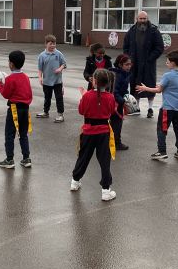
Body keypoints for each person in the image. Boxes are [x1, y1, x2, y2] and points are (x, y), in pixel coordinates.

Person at [70, 69, 117, 201]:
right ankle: (106, 190)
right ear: (107, 83)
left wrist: (83, 96)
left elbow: (81, 111)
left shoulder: (87, 96)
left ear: (94, 81)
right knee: (104, 161)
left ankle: (75, 181)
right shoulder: (110, 97)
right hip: (103, 132)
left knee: (83, 157)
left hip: (88, 131)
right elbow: (111, 111)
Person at [136, 49, 178, 161]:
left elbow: (159, 90)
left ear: (173, 63)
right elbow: (173, 87)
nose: (166, 63)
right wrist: (161, 86)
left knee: (161, 129)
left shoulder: (168, 75)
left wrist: (145, 88)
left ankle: (162, 151)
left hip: (167, 108)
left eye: (168, 61)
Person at [0, 50, 33, 169]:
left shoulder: (10, 79)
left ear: (11, 64)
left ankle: (9, 159)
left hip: (14, 109)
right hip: (25, 109)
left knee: (9, 134)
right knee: (23, 134)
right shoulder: (26, 77)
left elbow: (6, 94)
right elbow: (29, 94)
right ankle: (26, 158)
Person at [124, 11, 164, 118]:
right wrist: (129, 59)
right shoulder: (131, 31)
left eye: (144, 19)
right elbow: (125, 47)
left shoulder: (154, 31)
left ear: (147, 19)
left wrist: (150, 58)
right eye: (140, 18)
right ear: (136, 19)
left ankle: (150, 108)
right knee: (135, 86)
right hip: (134, 64)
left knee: (150, 86)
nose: (142, 21)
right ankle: (136, 107)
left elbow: (160, 47)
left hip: (148, 65)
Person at [36, 34, 66, 123]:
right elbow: (40, 69)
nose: (53, 45)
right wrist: (40, 78)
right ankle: (46, 112)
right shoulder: (42, 56)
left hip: (57, 81)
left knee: (59, 98)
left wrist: (60, 69)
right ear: (46, 44)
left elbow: (64, 64)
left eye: (54, 43)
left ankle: (60, 114)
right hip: (47, 81)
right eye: (51, 44)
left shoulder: (58, 54)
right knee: (47, 97)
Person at [110, 54, 132, 151]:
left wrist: (128, 96)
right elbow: (115, 92)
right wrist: (123, 100)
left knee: (116, 123)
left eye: (130, 64)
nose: (129, 66)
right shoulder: (117, 76)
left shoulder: (124, 74)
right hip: (115, 103)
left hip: (119, 102)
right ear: (120, 65)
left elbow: (123, 89)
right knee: (117, 123)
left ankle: (113, 141)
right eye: (126, 64)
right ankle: (116, 143)